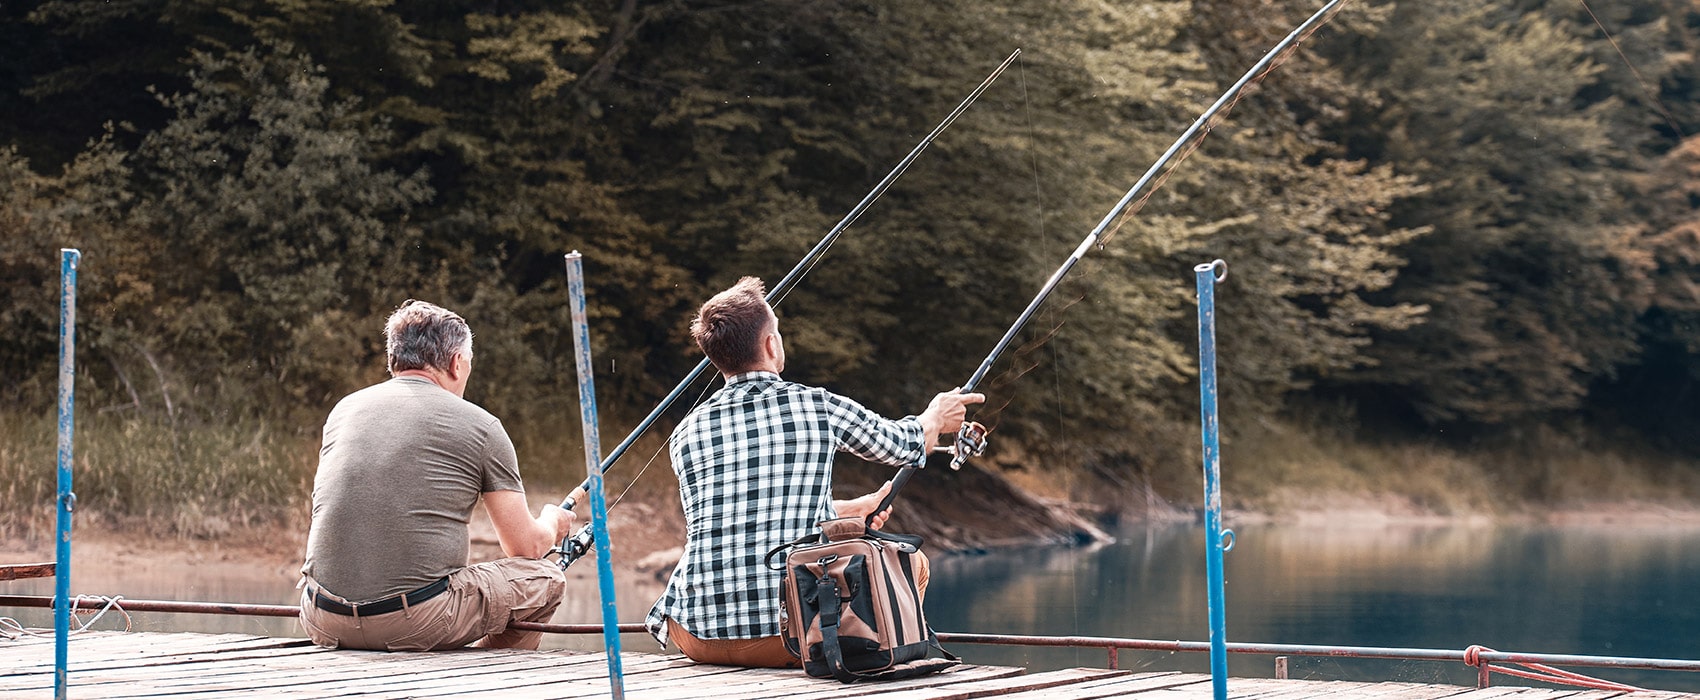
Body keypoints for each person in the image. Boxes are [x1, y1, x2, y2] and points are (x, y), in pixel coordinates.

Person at [644, 277, 984, 667]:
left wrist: (848, 510)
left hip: (696, 635)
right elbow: (903, 444)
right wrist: (937, 416)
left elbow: (741, 514)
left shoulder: (685, 431)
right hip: (787, 637)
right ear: (771, 344)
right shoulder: (816, 406)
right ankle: (874, 656)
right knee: (912, 562)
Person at [298, 299, 577, 651]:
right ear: (456, 363)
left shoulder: (344, 410)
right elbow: (526, 547)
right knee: (545, 578)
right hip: (415, 622)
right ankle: (490, 679)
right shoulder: (482, 426)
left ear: (394, 359)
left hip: (321, 617)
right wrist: (553, 520)